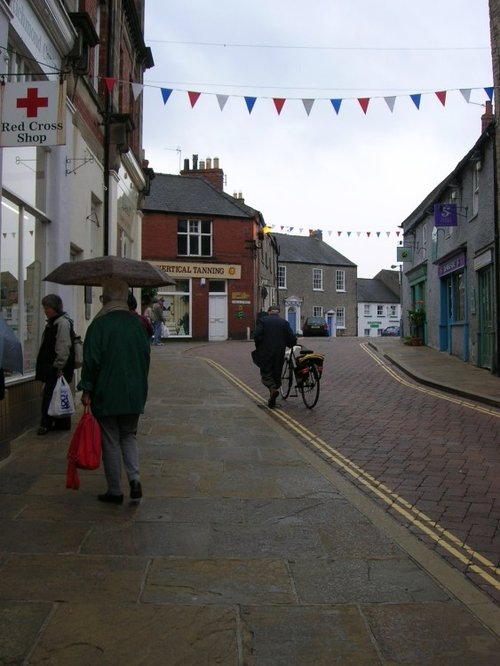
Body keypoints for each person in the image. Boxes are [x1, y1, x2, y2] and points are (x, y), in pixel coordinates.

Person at [77, 277, 151, 504]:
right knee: (128, 435)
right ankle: (135, 479)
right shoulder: (137, 324)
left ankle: (115, 490)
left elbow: (91, 361)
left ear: (106, 298)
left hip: (107, 393)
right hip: (134, 392)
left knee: (110, 440)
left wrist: (86, 388)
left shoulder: (99, 325)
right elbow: (145, 358)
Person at [35, 294, 75, 435]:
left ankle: (46, 424)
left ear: (54, 308)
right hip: (53, 367)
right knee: (54, 395)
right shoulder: (54, 322)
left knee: (50, 395)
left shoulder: (61, 323)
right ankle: (60, 423)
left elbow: (63, 348)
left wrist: (58, 366)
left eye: (47, 307)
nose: (45, 310)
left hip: (56, 369)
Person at [253, 305, 297, 408]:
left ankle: (272, 390)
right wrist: (291, 344)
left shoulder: (262, 321)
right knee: (276, 373)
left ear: (269, 312)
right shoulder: (284, 322)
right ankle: (272, 399)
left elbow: (257, 335)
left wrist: (259, 345)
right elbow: (291, 338)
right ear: (278, 313)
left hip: (266, 352)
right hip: (279, 352)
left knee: (266, 372)